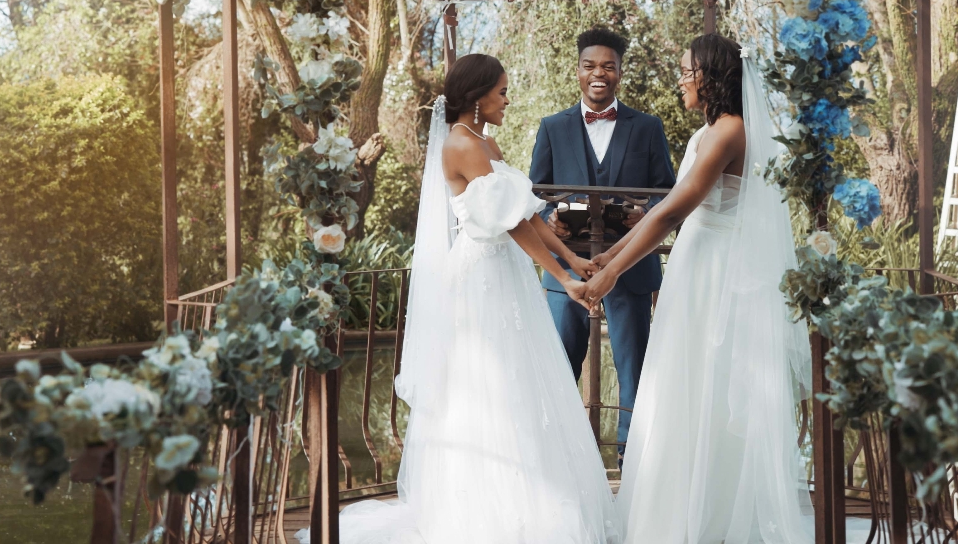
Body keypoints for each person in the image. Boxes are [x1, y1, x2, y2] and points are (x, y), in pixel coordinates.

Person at [316, 54, 621, 544]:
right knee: (490, 386)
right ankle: (494, 511)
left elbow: (527, 210)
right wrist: (564, 279)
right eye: (501, 91)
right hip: (482, 276)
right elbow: (510, 223)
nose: (507, 98)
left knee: (525, 380)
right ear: (479, 97)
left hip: (506, 274)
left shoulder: (484, 140)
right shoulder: (461, 144)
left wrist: (574, 258)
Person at [583, 34, 814, 543]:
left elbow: (671, 212)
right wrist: (611, 255)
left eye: (686, 71)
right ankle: (673, 514)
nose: (680, 80)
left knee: (707, 390)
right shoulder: (709, 130)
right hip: (695, 268)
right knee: (680, 389)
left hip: (718, 277)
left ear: (710, 76)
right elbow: (668, 211)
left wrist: (612, 272)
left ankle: (707, 521)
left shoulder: (730, 130)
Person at [528, 28, 677, 467]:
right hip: (566, 265)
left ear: (619, 72)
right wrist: (547, 218)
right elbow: (536, 194)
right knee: (559, 364)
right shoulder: (551, 127)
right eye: (591, 65)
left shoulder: (648, 127)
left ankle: (634, 463)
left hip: (630, 264)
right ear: (578, 71)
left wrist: (644, 213)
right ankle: (558, 458)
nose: (599, 74)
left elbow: (666, 192)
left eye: (608, 66)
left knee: (633, 366)